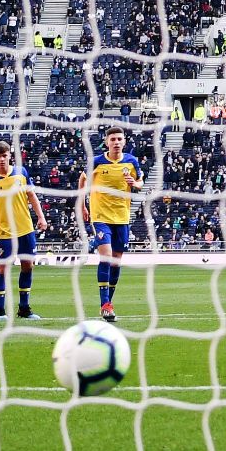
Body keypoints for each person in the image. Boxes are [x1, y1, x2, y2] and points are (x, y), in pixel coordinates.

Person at [78, 126, 143, 324]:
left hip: (122, 217)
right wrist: (82, 205)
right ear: (107, 142)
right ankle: (105, 304)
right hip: (100, 216)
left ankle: (108, 303)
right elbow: (82, 179)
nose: (116, 142)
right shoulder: (96, 162)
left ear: (124, 141)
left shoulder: (131, 161)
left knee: (116, 260)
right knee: (105, 256)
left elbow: (140, 182)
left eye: (119, 139)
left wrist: (135, 183)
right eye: (112, 139)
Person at [0, 141, 48, 320]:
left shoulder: (21, 173)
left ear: (9, 155)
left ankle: (24, 309)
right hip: (5, 233)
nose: (2, 159)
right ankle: (0, 312)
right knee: (2, 268)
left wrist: (41, 217)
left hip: (26, 230)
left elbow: (31, 196)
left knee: (28, 266)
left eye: (4, 155)